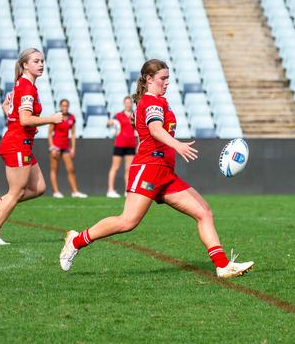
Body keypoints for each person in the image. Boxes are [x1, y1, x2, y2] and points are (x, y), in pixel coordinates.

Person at [59, 59, 254, 278]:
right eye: (163, 78)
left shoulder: (157, 101)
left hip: (165, 172)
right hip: (149, 168)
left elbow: (147, 126)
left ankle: (222, 265)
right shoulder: (152, 102)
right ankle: (76, 240)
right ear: (149, 79)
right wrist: (177, 144)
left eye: (168, 78)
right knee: (128, 221)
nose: (167, 82)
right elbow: (154, 129)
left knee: (204, 212)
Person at [0, 48, 63, 245]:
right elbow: (25, 120)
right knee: (16, 192)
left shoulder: (25, 86)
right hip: (16, 144)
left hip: (21, 143)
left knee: (39, 187)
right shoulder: (26, 86)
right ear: (24, 65)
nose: (41, 64)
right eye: (35, 61)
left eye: (42, 61)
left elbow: (15, 115)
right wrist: (52, 119)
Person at [47, 98, 87, 199]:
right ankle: (56, 192)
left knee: (71, 169)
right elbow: (49, 133)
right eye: (63, 106)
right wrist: (52, 147)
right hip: (56, 147)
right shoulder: (55, 117)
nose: (65, 107)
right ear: (60, 107)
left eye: (66, 106)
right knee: (54, 169)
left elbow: (73, 134)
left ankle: (75, 191)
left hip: (66, 147)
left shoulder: (72, 117)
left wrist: (73, 148)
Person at [106, 96, 137, 198]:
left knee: (129, 169)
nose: (128, 104)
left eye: (130, 103)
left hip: (131, 144)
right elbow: (109, 124)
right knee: (115, 167)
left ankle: (127, 190)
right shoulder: (118, 115)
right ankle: (110, 190)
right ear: (124, 104)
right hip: (119, 144)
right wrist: (109, 123)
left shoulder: (135, 115)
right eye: (126, 103)